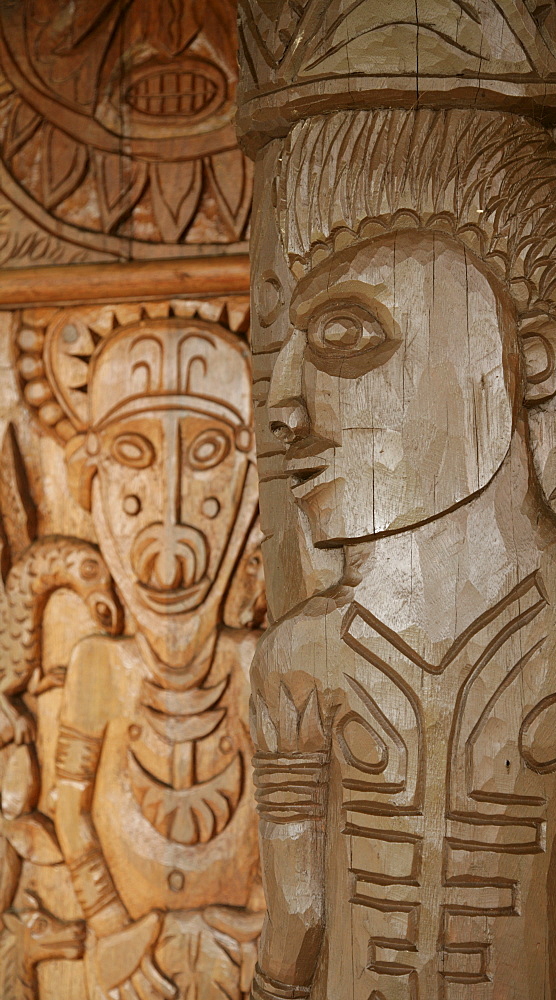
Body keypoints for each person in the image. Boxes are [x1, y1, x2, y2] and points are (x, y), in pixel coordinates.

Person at [249, 108, 556, 1000]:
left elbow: (296, 928)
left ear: (528, 363)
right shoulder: (299, 657)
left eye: (348, 338)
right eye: (283, 353)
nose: (284, 406)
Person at [56, 318, 264, 1000]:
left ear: (251, 487)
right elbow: (69, 807)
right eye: (132, 451)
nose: (170, 523)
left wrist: (264, 922)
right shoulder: (98, 668)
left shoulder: (255, 665)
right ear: (89, 480)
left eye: (206, 450)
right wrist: (113, 929)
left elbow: (301, 816)